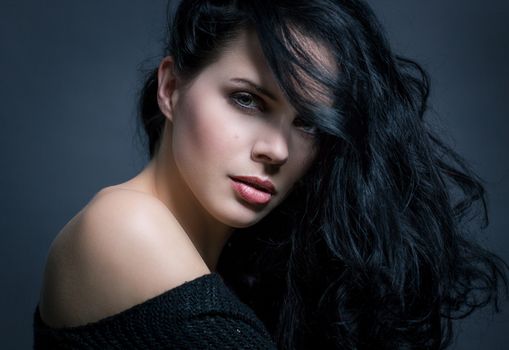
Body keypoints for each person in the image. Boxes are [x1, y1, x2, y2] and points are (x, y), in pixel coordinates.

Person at [33, 0, 508, 349]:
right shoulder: (123, 226)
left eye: (308, 122)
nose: (277, 149)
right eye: (247, 100)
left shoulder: (242, 266)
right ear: (172, 88)